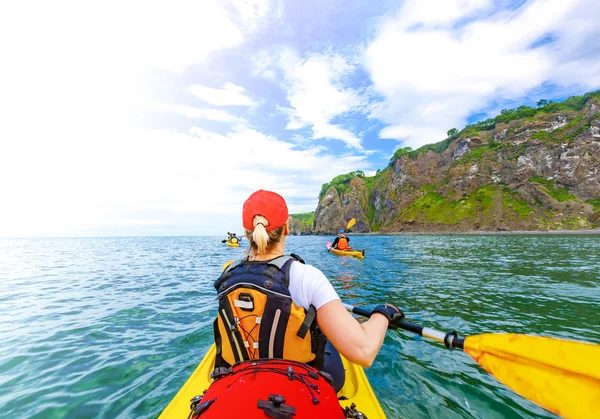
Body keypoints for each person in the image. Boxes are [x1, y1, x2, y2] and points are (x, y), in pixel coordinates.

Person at [213, 189, 401, 384]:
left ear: (246, 232)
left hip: (239, 377)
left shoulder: (227, 272)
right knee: (327, 340)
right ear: (287, 228)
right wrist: (383, 313)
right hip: (294, 383)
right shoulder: (307, 277)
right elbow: (364, 351)